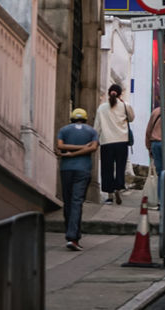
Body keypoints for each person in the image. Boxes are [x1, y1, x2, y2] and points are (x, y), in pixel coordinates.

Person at [56, 107, 99, 251]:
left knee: (68, 202)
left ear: (72, 118)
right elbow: (93, 148)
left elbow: (60, 146)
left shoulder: (64, 130)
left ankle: (70, 234)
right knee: (76, 202)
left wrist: (71, 154)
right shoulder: (92, 131)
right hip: (83, 170)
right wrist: (82, 148)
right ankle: (73, 237)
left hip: (66, 170)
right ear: (86, 119)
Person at [94, 83, 134, 205]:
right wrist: (123, 103)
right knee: (120, 167)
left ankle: (110, 196)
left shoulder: (101, 108)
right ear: (120, 94)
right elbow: (131, 118)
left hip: (106, 142)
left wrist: (95, 141)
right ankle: (118, 187)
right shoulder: (125, 105)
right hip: (121, 141)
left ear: (108, 93)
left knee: (107, 169)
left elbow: (97, 127)